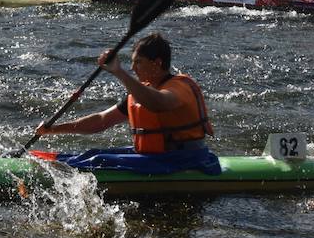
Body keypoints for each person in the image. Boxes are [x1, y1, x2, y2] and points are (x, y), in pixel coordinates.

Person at [35, 34, 216, 169]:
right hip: (155, 156)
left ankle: (51, 171)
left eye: (138, 62)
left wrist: (119, 72)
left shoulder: (179, 87)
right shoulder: (142, 90)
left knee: (99, 161)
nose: (132, 68)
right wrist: (53, 129)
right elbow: (101, 121)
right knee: (93, 154)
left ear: (157, 63)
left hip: (186, 158)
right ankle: (36, 159)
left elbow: (158, 103)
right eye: (131, 62)